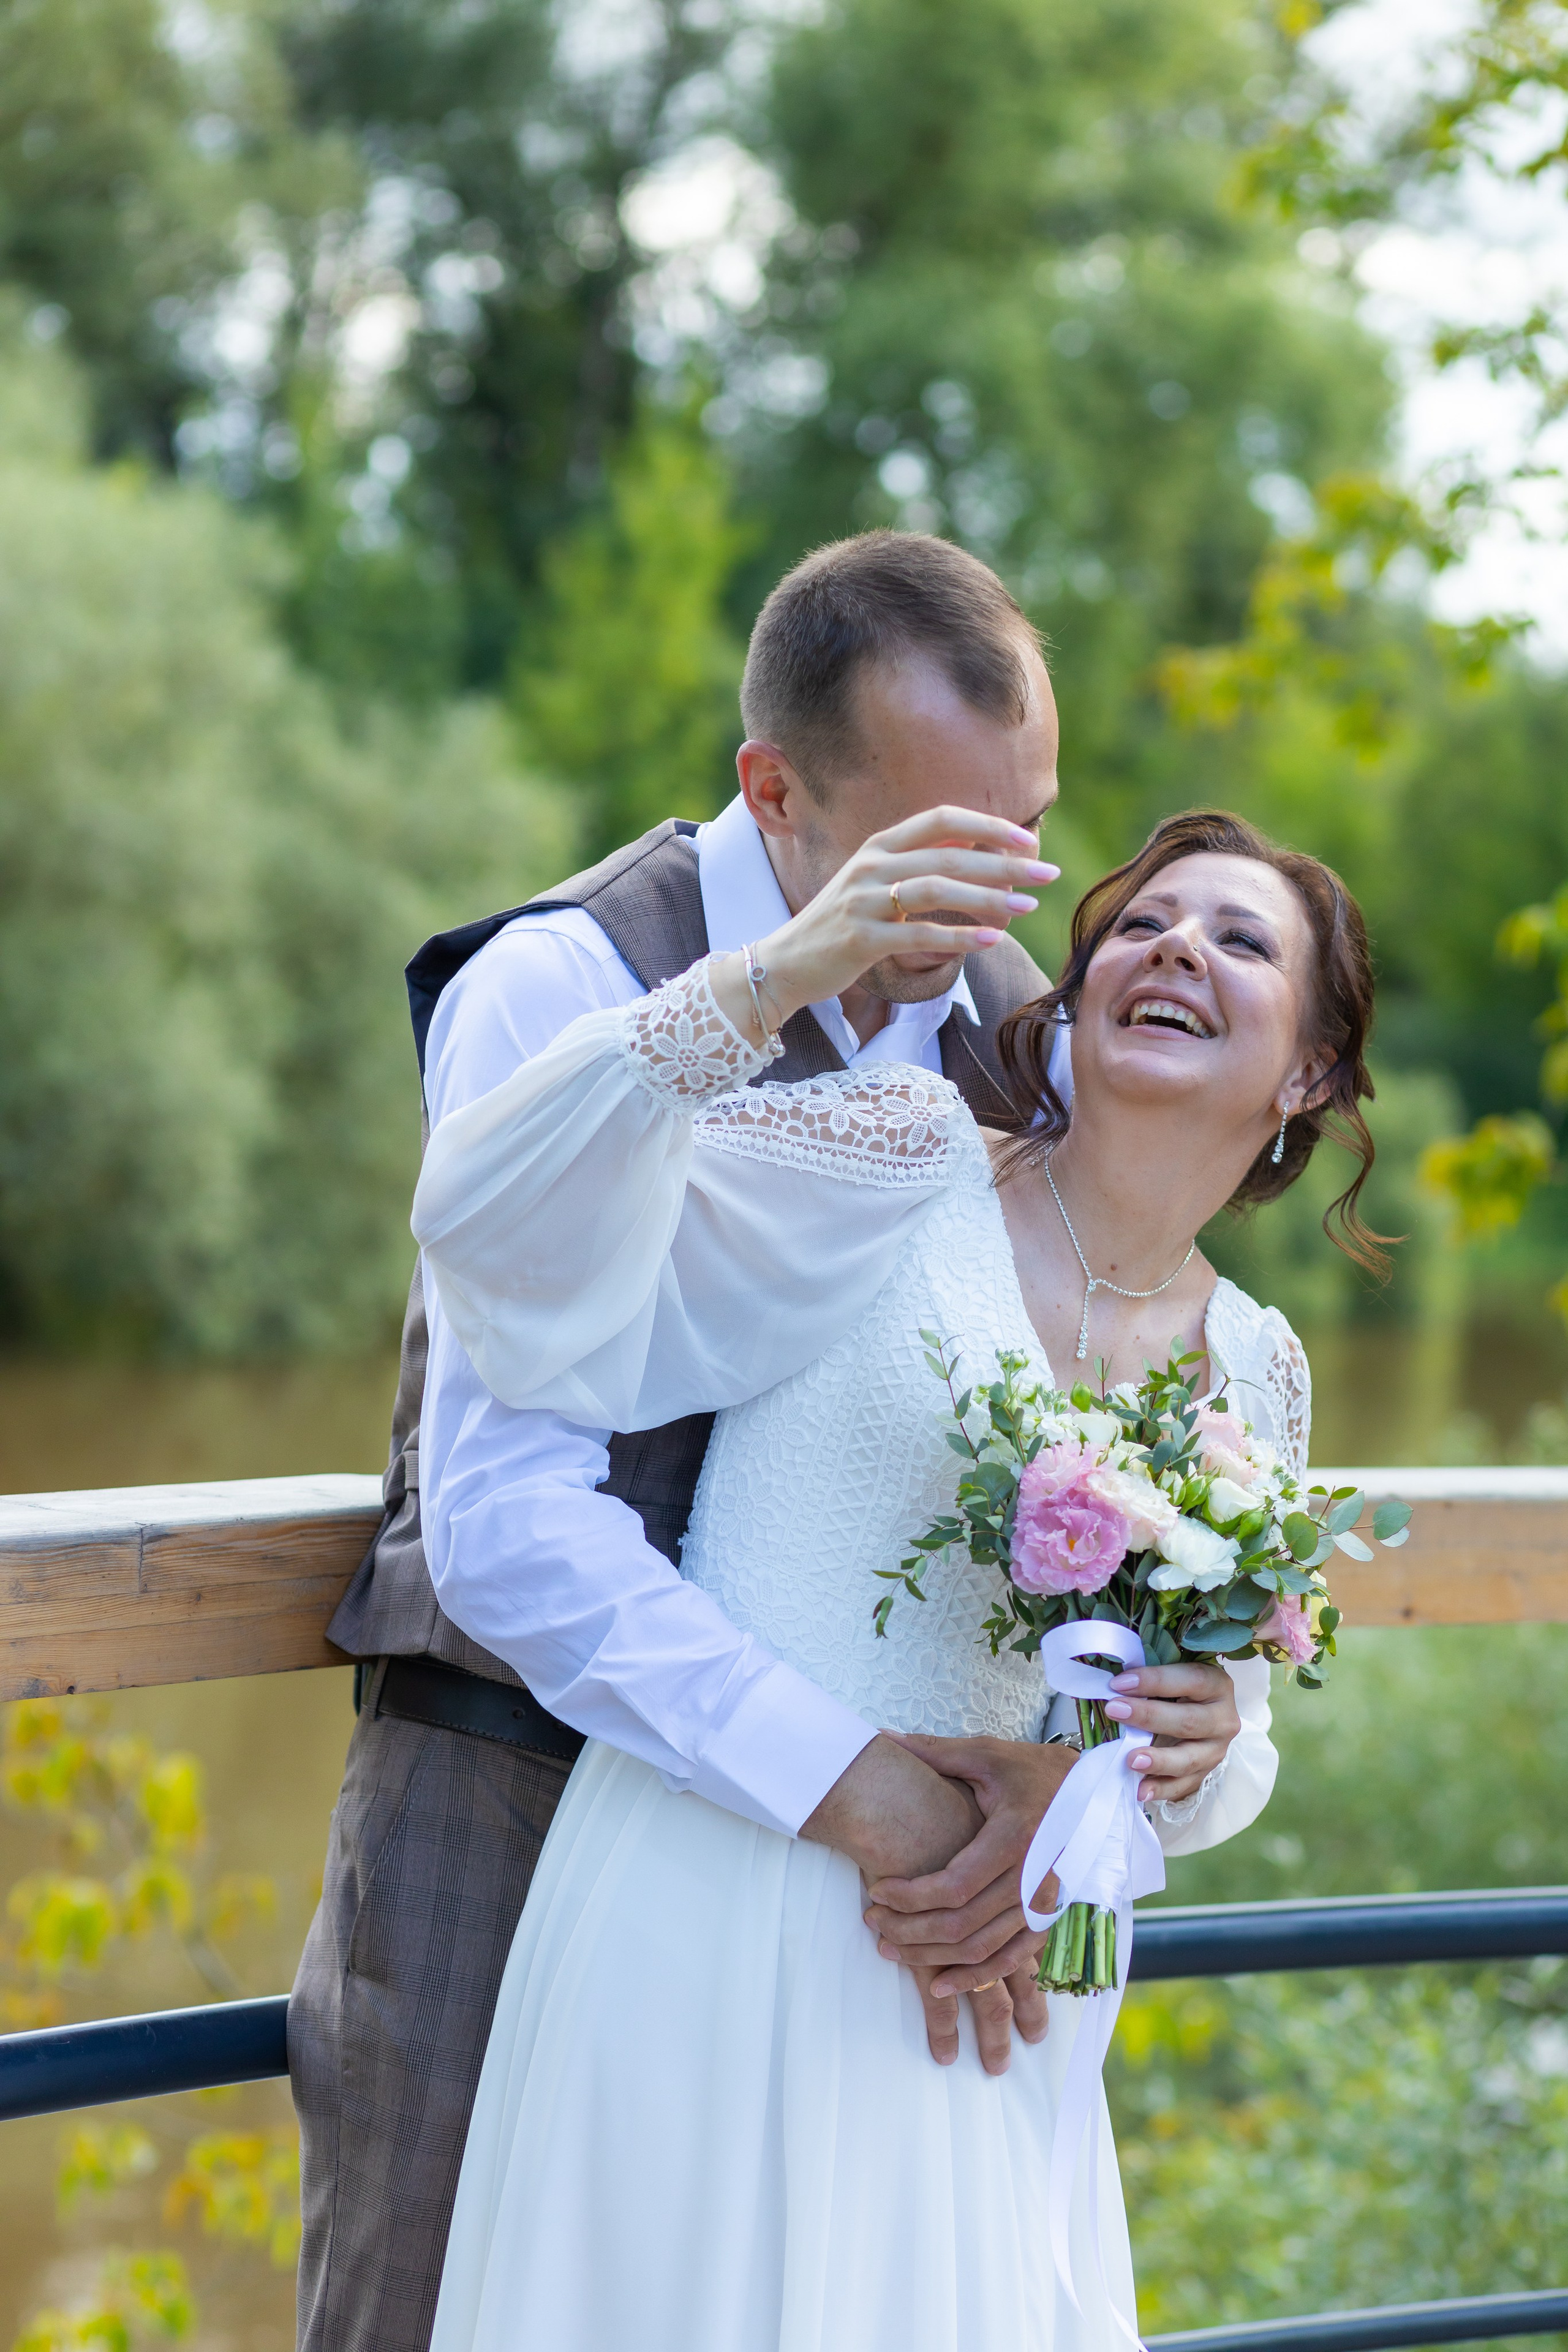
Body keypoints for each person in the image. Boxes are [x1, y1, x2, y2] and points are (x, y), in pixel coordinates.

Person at [288, 532, 1247, 2352]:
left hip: (862, 1896)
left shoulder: (991, 1027)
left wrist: (1080, 1765)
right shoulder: (559, 985)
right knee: (434, 2313)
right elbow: (506, 1526)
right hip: (507, 1796)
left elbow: (1075, 1416)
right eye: (939, 851)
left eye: (1025, 835)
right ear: (776, 791)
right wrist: (856, 1790)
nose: (998, 910)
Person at [410, 804, 1385, 2348]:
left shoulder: (1257, 1367)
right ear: (1072, 996)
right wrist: (762, 981)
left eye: (1239, 939)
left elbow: (1209, 1762)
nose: (1174, 946)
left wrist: (1201, 1746)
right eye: (1140, 923)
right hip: (718, 1895)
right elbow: (515, 1226)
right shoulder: (897, 1153)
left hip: (982, 1985)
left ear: (1310, 1073)